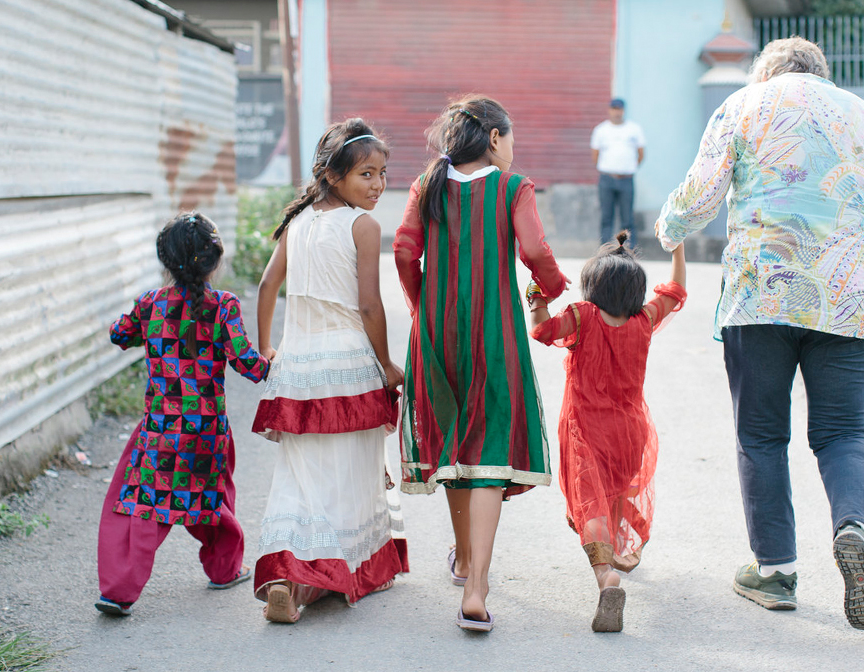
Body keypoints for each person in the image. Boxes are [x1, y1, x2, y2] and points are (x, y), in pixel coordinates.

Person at [656, 37, 864, 631]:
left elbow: (700, 195)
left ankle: (774, 572)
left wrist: (667, 231)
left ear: (765, 72)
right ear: (820, 75)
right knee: (844, 432)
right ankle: (853, 527)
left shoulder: (743, 106)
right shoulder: (860, 112)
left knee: (763, 435)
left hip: (761, 293)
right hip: (847, 299)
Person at [394, 95, 569, 633]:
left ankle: (465, 557)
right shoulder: (512, 187)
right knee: (489, 443)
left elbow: (404, 250)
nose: (513, 149)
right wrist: (552, 288)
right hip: (493, 333)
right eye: (510, 138)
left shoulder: (427, 185)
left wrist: (422, 306)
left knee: (452, 438)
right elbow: (535, 250)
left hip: (436, 331)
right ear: (494, 138)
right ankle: (476, 587)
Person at [250, 118, 407, 624]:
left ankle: (288, 581)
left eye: (383, 173)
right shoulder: (363, 226)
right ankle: (330, 575)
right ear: (334, 175)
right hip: (349, 366)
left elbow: (267, 286)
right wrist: (386, 364)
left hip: (298, 369)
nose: (378, 184)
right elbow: (369, 307)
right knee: (349, 472)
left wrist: (268, 348)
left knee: (300, 474)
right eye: (367, 174)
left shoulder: (296, 224)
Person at [95, 213, 270, 617]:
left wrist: (144, 323)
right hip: (207, 431)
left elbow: (120, 335)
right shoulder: (223, 306)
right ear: (215, 259)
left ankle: (119, 591)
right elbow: (248, 364)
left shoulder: (151, 305)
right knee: (212, 498)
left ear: (165, 261)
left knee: (141, 505)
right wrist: (277, 368)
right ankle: (225, 570)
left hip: (160, 430)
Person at [529, 232, 687, 633]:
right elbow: (676, 291)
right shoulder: (644, 320)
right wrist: (678, 246)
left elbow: (542, 331)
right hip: (630, 431)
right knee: (613, 494)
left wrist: (537, 297)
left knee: (591, 506)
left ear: (592, 287)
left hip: (586, 431)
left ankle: (606, 578)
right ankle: (617, 553)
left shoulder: (583, 317)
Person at [591, 98, 645, 244]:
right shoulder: (601, 130)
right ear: (609, 110)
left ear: (623, 110)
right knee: (606, 217)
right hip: (607, 179)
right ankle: (605, 251)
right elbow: (595, 155)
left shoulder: (634, 129)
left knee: (627, 217)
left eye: (619, 109)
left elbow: (641, 154)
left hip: (626, 179)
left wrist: (628, 168)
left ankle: (629, 249)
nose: (616, 112)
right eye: (614, 109)